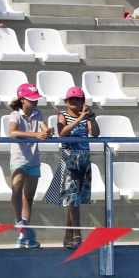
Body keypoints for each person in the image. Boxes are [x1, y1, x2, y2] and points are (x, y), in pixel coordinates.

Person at [46, 86, 96, 250]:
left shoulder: (86, 117)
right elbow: (63, 133)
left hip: (83, 160)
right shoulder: (62, 115)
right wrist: (79, 118)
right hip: (69, 161)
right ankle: (77, 235)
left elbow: (95, 133)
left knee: (74, 200)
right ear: (66, 102)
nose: (75, 103)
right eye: (72, 100)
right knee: (72, 199)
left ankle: (68, 236)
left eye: (79, 100)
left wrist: (92, 119)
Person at [6, 82, 47, 249]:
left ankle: (25, 233)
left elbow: (44, 129)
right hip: (19, 158)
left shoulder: (38, 113)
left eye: (36, 99)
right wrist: (36, 134)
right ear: (22, 100)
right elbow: (13, 132)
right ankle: (20, 223)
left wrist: (47, 131)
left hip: (34, 160)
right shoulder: (14, 115)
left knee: (28, 197)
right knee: (16, 190)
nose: (35, 102)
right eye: (32, 99)